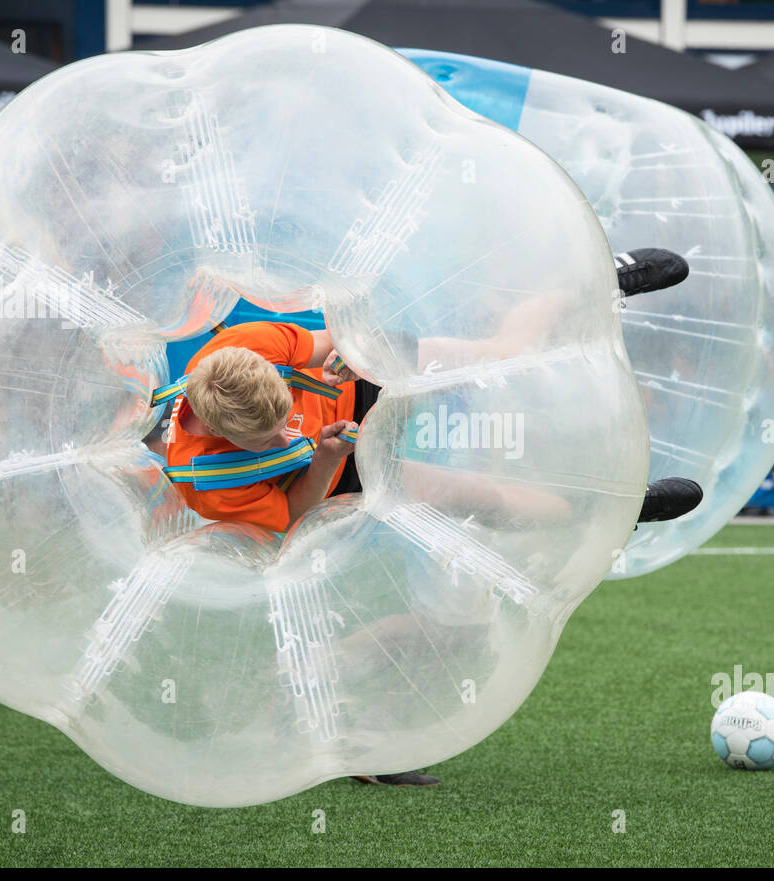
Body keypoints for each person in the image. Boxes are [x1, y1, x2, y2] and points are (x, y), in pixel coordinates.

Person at [161, 249, 698, 787]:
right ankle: (618, 506)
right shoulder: (208, 480)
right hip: (336, 465)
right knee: (480, 499)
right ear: (223, 433)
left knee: (501, 354)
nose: (285, 434)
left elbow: (332, 341)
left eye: (282, 417)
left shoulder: (243, 348)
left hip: (349, 380)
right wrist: (322, 456)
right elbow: (296, 513)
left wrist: (355, 355)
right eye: (266, 440)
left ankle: (599, 280)